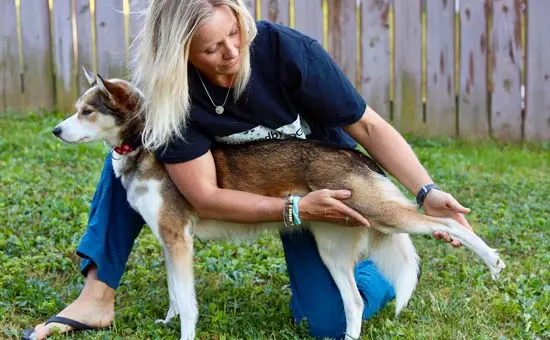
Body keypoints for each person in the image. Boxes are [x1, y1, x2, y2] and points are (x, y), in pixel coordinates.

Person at [23, 1, 473, 339]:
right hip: (250, 189)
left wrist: (424, 190)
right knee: (127, 154)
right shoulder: (171, 100)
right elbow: (204, 197)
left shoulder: (288, 52)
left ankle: (378, 270)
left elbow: (369, 126)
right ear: (182, 55)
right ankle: (97, 296)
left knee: (327, 323)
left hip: (319, 179)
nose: (232, 52)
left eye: (234, 34)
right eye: (212, 48)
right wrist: (295, 209)